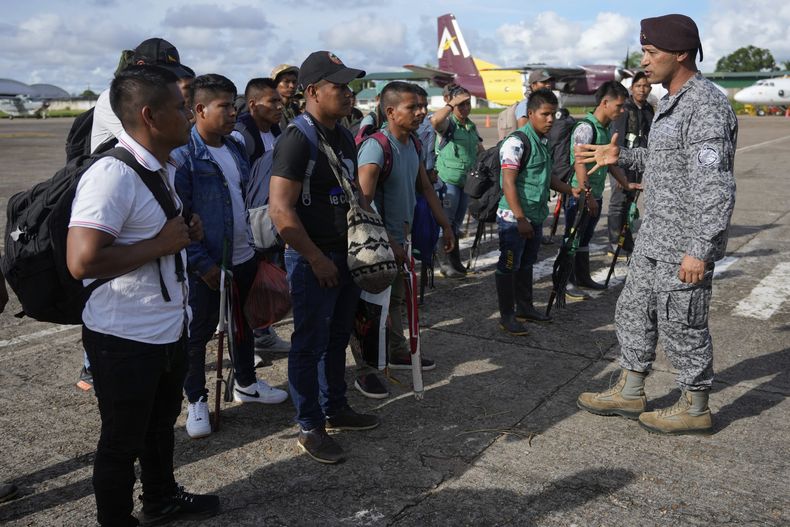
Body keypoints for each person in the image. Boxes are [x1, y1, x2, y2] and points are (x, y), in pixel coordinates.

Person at [66, 65, 219, 526]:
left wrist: (182, 233)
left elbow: (155, 236)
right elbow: (82, 260)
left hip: (165, 326)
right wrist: (163, 244)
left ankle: (160, 498)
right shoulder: (113, 173)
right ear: (150, 116)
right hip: (124, 335)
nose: (189, 115)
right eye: (180, 106)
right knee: (121, 440)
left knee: (158, 427)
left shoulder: (160, 167)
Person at [575, 14, 737, 435]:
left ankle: (695, 405)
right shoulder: (670, 102)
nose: (644, 62)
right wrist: (622, 158)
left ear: (680, 53)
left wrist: (700, 249)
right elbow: (665, 163)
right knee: (633, 311)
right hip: (654, 236)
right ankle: (630, 391)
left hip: (682, 243)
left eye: (651, 53)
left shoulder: (704, 105)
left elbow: (714, 185)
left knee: (682, 321)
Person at [269, 51, 379, 464]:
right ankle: (310, 425)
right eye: (340, 87)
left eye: (350, 87)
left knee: (337, 338)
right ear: (313, 91)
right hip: (314, 259)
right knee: (309, 343)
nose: (349, 94)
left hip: (345, 254)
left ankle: (336, 407)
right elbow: (281, 210)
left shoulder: (344, 134)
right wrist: (316, 259)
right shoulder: (298, 139)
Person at [175, 74, 288, 440]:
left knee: (242, 324)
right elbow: (178, 219)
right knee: (200, 333)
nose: (231, 113)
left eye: (232, 105)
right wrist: (203, 265)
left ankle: (247, 383)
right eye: (223, 106)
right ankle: (195, 399)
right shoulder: (185, 156)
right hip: (208, 264)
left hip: (243, 255)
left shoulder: (235, 147)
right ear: (199, 109)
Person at [355, 81, 454, 397]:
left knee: (395, 300)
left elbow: (424, 187)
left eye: (423, 106)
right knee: (369, 311)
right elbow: (363, 203)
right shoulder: (375, 147)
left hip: (402, 240)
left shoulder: (413, 143)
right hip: (377, 248)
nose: (422, 112)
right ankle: (366, 370)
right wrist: (389, 243)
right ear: (390, 111)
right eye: (413, 107)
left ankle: (396, 350)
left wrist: (446, 225)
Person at [496, 89, 581, 335]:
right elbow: (508, 182)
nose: (550, 119)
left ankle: (524, 307)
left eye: (553, 114)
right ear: (530, 113)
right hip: (514, 219)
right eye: (545, 114)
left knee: (526, 265)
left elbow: (547, 178)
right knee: (508, 265)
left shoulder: (542, 142)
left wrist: (570, 189)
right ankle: (507, 316)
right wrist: (520, 218)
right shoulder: (516, 142)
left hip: (533, 216)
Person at [229, 78, 292, 360]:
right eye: (273, 102)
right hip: (250, 221)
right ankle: (249, 338)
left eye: (280, 101)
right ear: (253, 104)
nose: (280, 106)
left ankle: (262, 333)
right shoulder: (242, 136)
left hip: (270, 216)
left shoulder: (278, 131)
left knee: (266, 278)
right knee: (250, 282)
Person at [565, 81, 640, 297]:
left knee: (585, 239)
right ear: (605, 103)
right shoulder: (585, 128)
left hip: (594, 195)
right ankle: (566, 282)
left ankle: (583, 277)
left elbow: (609, 162)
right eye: (619, 105)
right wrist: (586, 195)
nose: (622, 110)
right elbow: (579, 163)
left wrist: (626, 184)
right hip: (580, 195)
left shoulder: (605, 129)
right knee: (572, 239)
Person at [90, 38, 195, 153]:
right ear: (141, 65)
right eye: (162, 71)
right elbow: (143, 145)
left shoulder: (153, 96)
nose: (167, 77)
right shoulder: (114, 97)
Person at [431, 84, 484, 278]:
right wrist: (452, 103)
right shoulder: (448, 124)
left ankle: (455, 261)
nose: (465, 108)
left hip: (465, 183)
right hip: (448, 182)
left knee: (456, 225)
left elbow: (479, 149)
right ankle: (445, 263)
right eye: (461, 105)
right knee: (446, 222)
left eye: (467, 104)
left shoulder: (470, 125)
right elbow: (435, 121)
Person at [607, 71, 654, 255]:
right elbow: (617, 140)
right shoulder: (624, 109)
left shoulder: (649, 109)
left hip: (638, 164)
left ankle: (626, 241)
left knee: (630, 203)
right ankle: (614, 242)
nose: (643, 90)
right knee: (618, 202)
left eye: (646, 86)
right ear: (632, 88)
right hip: (622, 164)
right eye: (638, 86)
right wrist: (619, 171)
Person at [272, 64, 300, 129]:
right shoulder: (271, 109)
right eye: (286, 82)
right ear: (275, 84)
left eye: (294, 82)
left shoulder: (295, 108)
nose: (292, 86)